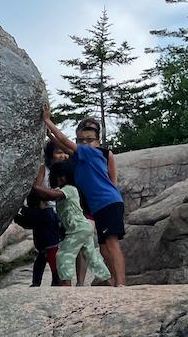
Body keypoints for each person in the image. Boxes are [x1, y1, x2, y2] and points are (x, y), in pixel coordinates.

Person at [41, 105, 126, 285]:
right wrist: (49, 135)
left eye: (89, 140)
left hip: (107, 203)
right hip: (103, 205)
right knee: (103, 248)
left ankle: (121, 284)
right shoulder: (84, 156)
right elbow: (63, 144)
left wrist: (48, 120)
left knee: (111, 244)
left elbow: (64, 140)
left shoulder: (90, 153)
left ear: (98, 142)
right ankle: (113, 284)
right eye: (81, 140)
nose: (85, 143)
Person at [45, 161, 111, 286]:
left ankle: (66, 283)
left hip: (78, 228)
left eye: (62, 175)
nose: (60, 178)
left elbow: (50, 194)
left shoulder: (69, 189)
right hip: (83, 227)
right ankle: (107, 280)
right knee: (91, 256)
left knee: (63, 254)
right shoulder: (66, 189)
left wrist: (35, 186)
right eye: (59, 175)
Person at [13, 191, 61, 286]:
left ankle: (52, 282)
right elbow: (28, 223)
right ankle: (39, 282)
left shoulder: (46, 213)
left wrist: (18, 212)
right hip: (48, 246)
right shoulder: (45, 213)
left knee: (52, 266)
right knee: (44, 264)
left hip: (51, 247)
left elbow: (28, 219)